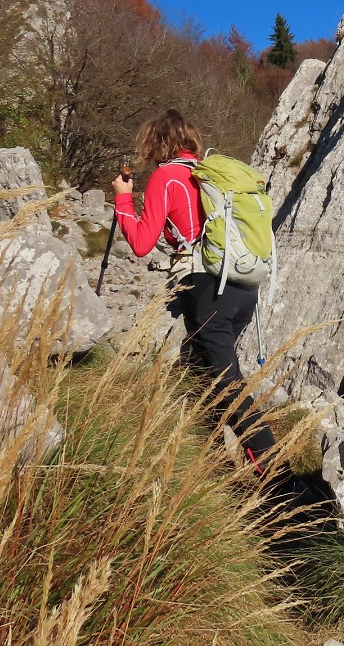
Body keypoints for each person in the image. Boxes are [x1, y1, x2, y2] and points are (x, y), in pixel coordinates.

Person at [110, 108, 278, 473]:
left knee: (228, 386)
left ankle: (281, 479)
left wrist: (123, 199)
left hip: (207, 290)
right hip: (242, 287)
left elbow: (141, 243)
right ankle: (213, 467)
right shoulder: (210, 175)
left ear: (156, 143)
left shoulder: (166, 177)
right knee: (208, 378)